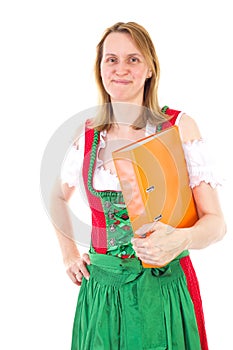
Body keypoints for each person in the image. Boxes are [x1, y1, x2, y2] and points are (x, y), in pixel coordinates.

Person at [50, 22, 226, 350]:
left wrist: (183, 238)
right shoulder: (87, 134)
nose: (121, 69)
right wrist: (69, 255)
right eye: (111, 59)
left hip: (163, 290)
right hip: (102, 291)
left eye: (133, 59)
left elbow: (216, 223)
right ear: (100, 68)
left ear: (150, 68)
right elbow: (56, 197)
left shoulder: (178, 127)